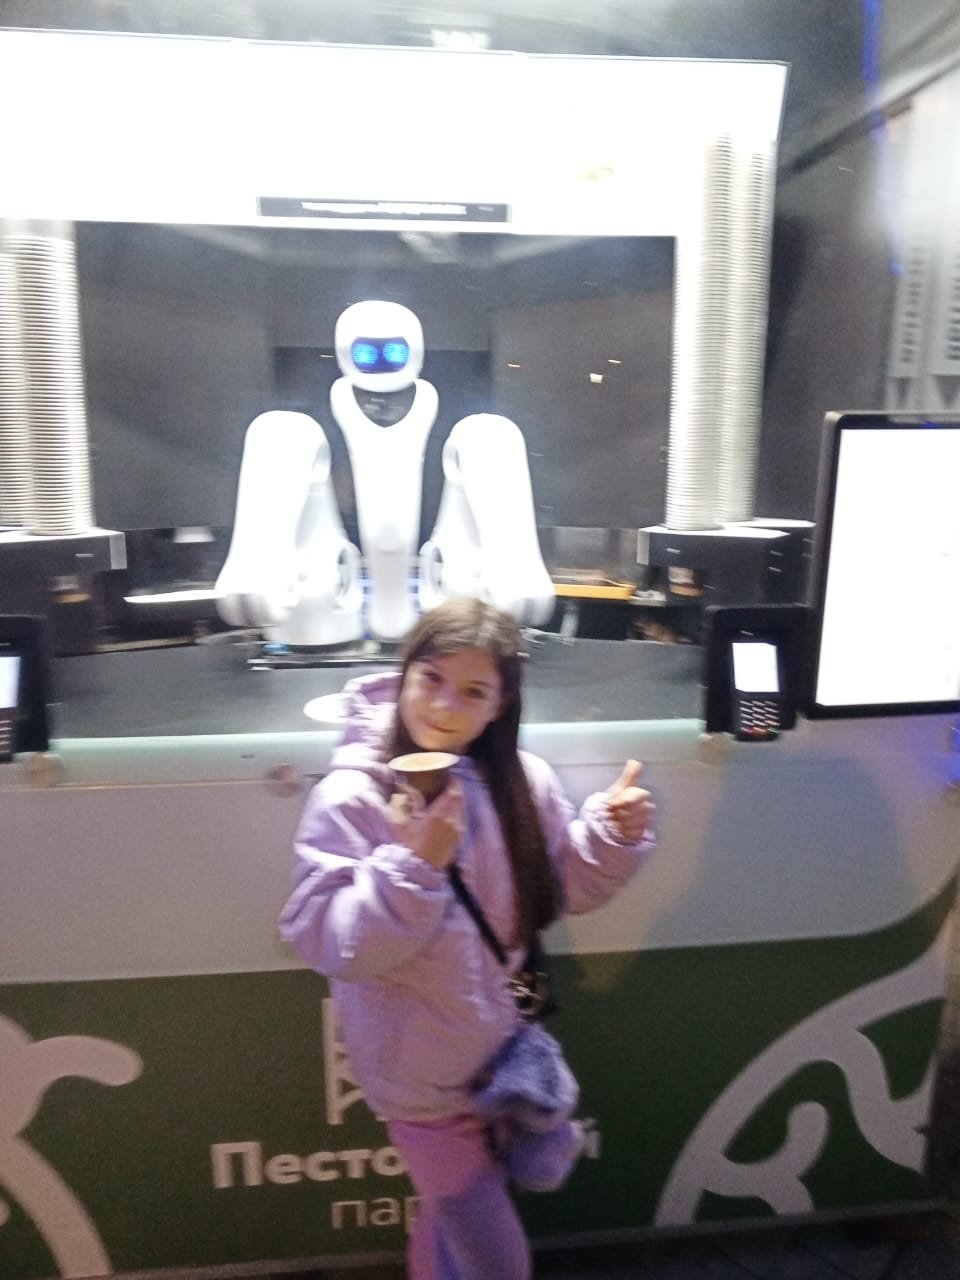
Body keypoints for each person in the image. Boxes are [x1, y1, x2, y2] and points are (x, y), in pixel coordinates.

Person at [279, 598, 655, 1280]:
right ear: (403, 676)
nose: (445, 706)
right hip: (418, 1078)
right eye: (431, 678)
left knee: (447, 1231)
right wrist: (414, 865)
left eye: (474, 691)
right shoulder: (354, 797)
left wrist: (611, 835)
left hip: (500, 1057)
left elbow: (560, 887)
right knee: (495, 1256)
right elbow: (328, 939)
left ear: (499, 705)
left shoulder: (522, 782)